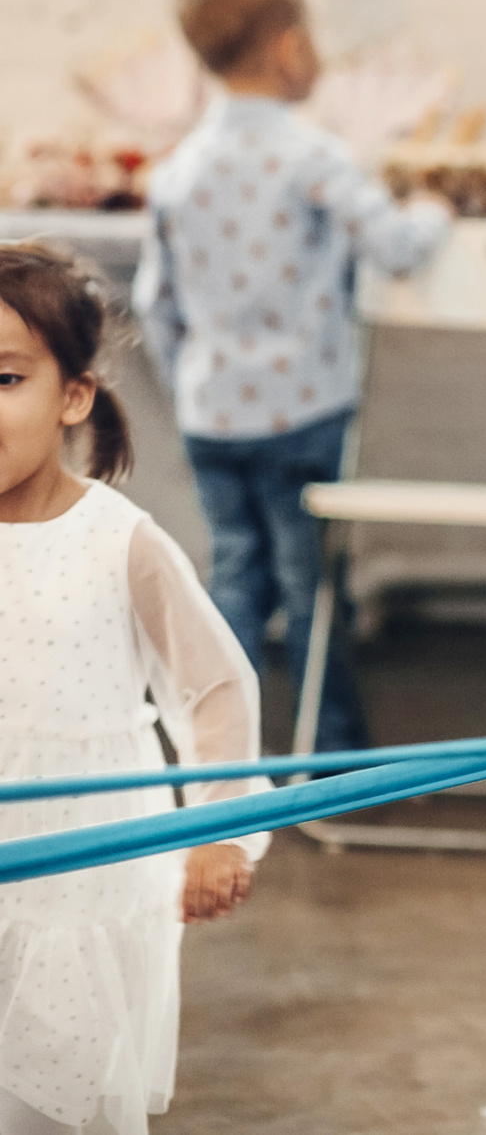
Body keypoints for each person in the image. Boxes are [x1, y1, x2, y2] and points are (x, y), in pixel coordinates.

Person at [135, 0, 450, 754]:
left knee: (236, 577)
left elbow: (153, 305)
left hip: (213, 414)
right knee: (313, 588)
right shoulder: (311, 154)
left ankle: (218, 755)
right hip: (301, 409)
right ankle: (333, 751)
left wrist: (189, 390)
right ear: (286, 49)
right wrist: (434, 210)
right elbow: (396, 247)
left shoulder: (179, 169)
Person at [0, 243, 267, 1135]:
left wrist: (218, 832)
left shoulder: (119, 541)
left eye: (4, 378)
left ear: (73, 395)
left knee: (54, 1104)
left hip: (84, 877)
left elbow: (217, 688)